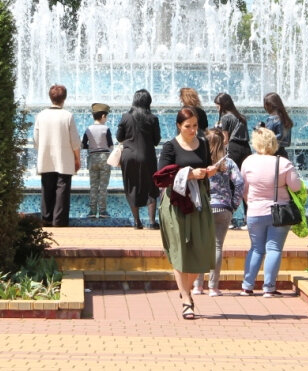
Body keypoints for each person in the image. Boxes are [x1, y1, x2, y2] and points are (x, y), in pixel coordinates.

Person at [156, 108, 216, 319]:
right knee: (180, 250)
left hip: (199, 201)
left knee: (201, 248)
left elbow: (205, 168)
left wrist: (210, 171)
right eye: (187, 126)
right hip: (176, 202)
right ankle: (185, 300)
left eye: (195, 126)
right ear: (179, 126)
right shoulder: (170, 146)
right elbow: (162, 175)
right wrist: (190, 174)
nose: (192, 130)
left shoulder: (203, 144)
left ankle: (186, 290)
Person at [240, 126, 302, 297]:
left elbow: (243, 188)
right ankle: (269, 288)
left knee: (256, 248)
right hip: (279, 212)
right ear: (273, 143)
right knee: (274, 249)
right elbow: (296, 186)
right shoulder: (282, 163)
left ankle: (247, 285)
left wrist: (250, 202)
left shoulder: (248, 162)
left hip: (254, 211)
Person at [193, 127, 243, 297]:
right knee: (217, 246)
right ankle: (213, 287)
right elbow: (240, 183)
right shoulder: (227, 163)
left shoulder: (200, 162)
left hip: (203, 208)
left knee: (201, 246)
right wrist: (234, 204)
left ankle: (197, 286)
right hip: (223, 208)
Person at [33, 84, 80, 227]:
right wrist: (77, 158)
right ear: (64, 98)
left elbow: (36, 139)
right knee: (62, 189)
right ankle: (59, 220)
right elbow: (75, 141)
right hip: (64, 158)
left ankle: (46, 218)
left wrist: (42, 150)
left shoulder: (41, 115)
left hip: (46, 157)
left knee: (46, 188)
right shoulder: (67, 116)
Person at [117, 89, 162, 229]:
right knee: (151, 187)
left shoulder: (125, 117)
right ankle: (152, 222)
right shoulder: (153, 118)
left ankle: (137, 221)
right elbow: (156, 140)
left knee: (131, 187)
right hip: (147, 155)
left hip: (128, 155)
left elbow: (119, 137)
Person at [81, 103, 113, 219]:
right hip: (105, 158)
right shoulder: (106, 129)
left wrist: (91, 147)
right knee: (103, 186)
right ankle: (103, 211)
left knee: (93, 185)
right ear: (103, 116)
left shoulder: (88, 129)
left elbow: (83, 144)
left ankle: (92, 211)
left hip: (92, 158)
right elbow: (110, 145)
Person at [214, 92, 249, 170]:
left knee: (233, 174)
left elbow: (225, 140)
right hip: (246, 148)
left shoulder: (225, 118)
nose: (217, 109)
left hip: (234, 148)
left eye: (217, 106)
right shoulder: (242, 117)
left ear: (223, 105)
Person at [262, 92, 294, 159]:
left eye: (265, 105)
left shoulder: (272, 119)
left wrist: (261, 131)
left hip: (272, 155)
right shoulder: (285, 119)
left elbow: (267, 138)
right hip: (283, 154)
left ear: (269, 105)